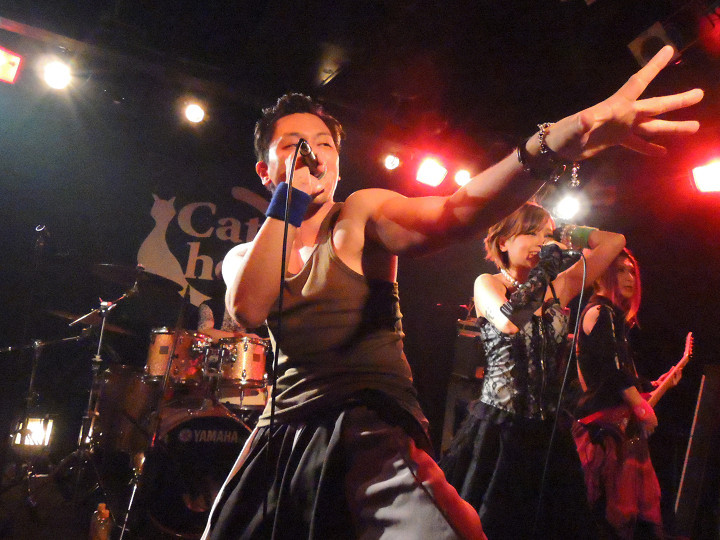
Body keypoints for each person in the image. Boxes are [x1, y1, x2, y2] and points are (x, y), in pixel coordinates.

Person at [203, 46, 702, 539]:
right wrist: (287, 204)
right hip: (281, 431)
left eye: (324, 144)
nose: (312, 155)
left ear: (338, 163)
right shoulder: (245, 255)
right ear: (264, 171)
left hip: (366, 422)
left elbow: (453, 213)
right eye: (293, 145)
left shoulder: (360, 213)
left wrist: (555, 142)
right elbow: (248, 307)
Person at [439, 200, 626, 539]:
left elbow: (615, 241)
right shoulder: (488, 284)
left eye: (546, 234)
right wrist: (545, 271)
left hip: (548, 431)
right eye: (530, 233)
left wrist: (568, 233)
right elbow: (510, 322)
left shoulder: (560, 286)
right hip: (500, 427)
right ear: (503, 242)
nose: (541, 242)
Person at [572, 249, 683, 539]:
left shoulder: (610, 315)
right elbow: (612, 373)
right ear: (602, 275)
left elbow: (617, 374)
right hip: (606, 433)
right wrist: (644, 409)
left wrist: (654, 385)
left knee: (622, 516)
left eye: (632, 270)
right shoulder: (601, 312)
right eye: (620, 270)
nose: (630, 277)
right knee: (615, 515)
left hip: (612, 428)